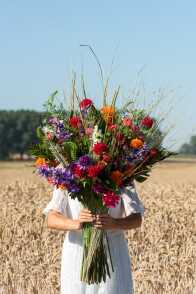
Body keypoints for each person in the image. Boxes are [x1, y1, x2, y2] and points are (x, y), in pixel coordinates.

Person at [43, 183, 145, 294]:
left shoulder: (123, 170)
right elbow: (51, 218)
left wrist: (115, 223)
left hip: (112, 254)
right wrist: (76, 223)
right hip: (77, 254)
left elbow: (136, 218)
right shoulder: (66, 172)